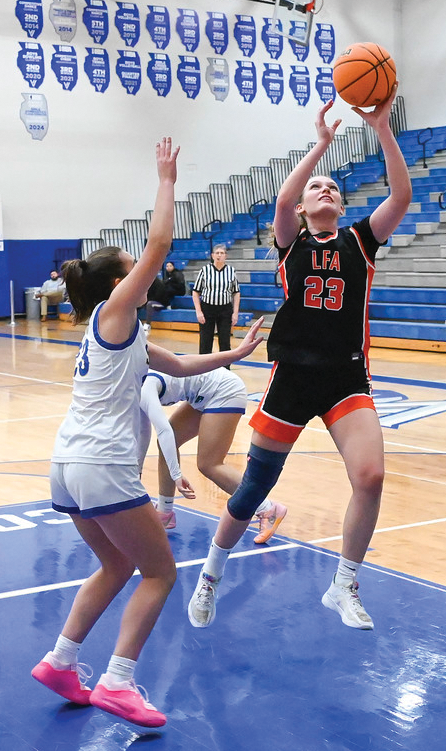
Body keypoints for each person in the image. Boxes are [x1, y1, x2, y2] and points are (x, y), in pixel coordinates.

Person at [30, 137, 264, 728]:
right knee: (160, 572)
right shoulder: (116, 313)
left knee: (114, 567)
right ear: (117, 284)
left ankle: (61, 661)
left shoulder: (116, 335)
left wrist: (238, 351)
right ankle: (117, 680)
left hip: (70, 464)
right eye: (133, 272)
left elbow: (182, 367)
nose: (144, 276)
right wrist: (166, 179)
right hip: (104, 465)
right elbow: (159, 243)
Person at [187, 86, 412, 632]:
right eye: (319, 187)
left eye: (334, 186)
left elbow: (401, 195)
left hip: (345, 376)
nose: (327, 189)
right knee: (254, 487)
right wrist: (320, 148)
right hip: (291, 376)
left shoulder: (360, 240)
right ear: (308, 206)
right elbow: (283, 202)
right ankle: (211, 574)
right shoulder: (292, 241)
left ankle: (344, 583)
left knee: (371, 475)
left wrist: (382, 128)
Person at [138, 368, 287, 542]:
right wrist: (137, 472)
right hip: (203, 392)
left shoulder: (141, 387)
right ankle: (165, 512)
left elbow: (163, 431)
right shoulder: (130, 384)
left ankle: (268, 508)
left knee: (209, 464)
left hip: (224, 390)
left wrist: (177, 474)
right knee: (167, 444)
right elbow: (143, 431)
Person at [192, 244, 240, 355]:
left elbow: (236, 293)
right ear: (212, 255)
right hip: (207, 308)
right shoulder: (205, 270)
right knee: (205, 341)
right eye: (217, 253)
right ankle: (204, 370)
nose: (219, 255)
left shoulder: (231, 271)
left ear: (226, 256)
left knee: (225, 342)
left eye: (222, 253)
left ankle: (225, 369)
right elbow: (195, 292)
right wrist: (198, 311)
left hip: (225, 309)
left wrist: (235, 313)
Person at [143, 261, 186, 331]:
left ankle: (148, 324)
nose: (168, 268)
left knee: (149, 304)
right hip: (158, 299)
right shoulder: (165, 276)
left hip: (163, 302)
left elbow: (160, 295)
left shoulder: (157, 282)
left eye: (170, 266)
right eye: (167, 266)